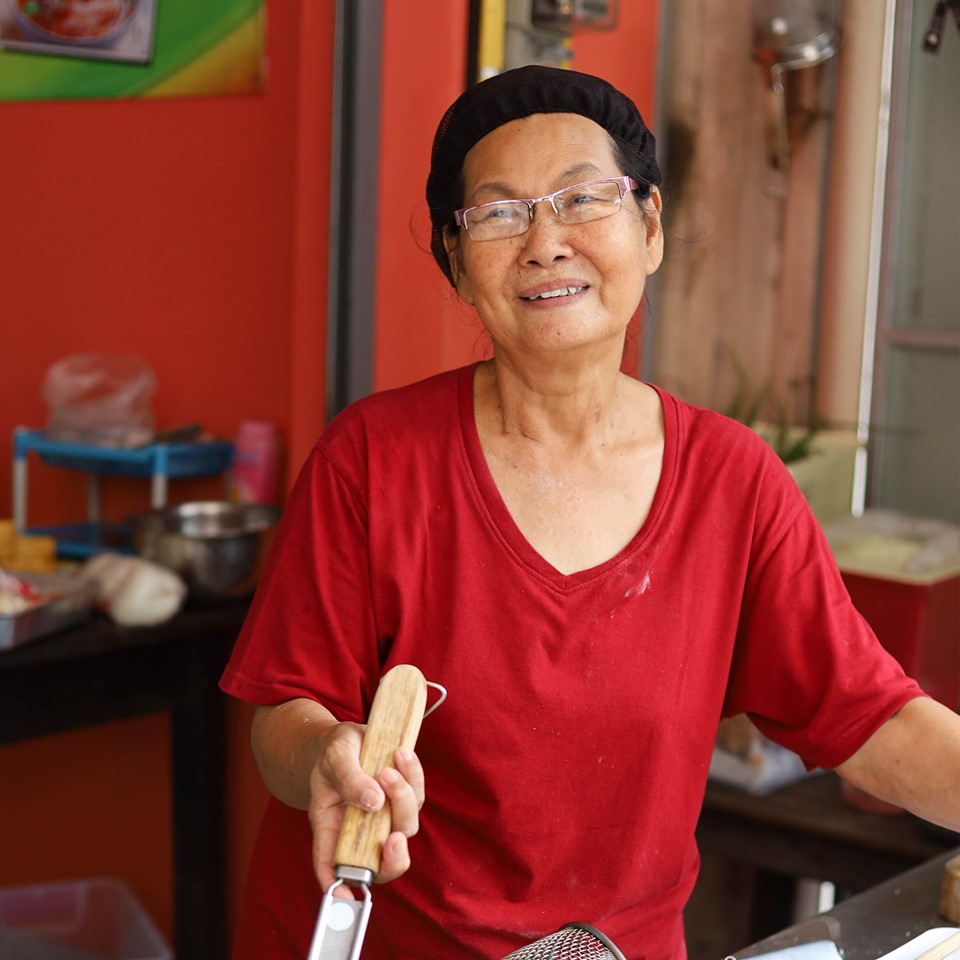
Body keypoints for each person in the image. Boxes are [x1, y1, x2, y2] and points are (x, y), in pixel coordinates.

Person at [220, 65, 960, 960]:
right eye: (498, 212)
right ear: (457, 265)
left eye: (582, 198)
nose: (543, 242)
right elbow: (283, 717)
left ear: (649, 228)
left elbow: (869, 717)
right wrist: (325, 757)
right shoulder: (374, 459)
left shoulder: (734, 483)